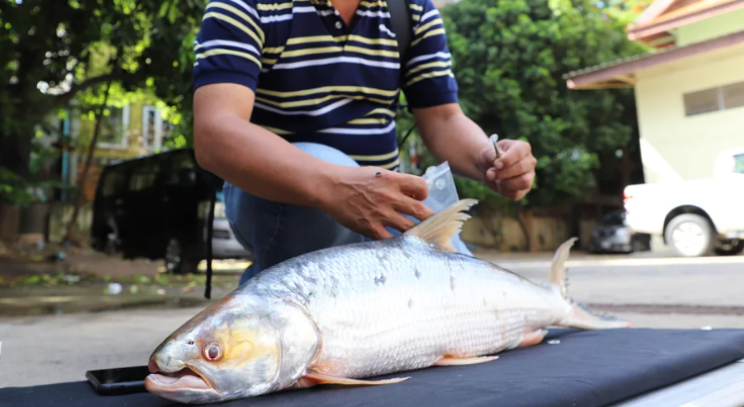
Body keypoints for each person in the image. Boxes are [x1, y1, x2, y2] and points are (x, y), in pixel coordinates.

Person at [192, 0, 537, 285]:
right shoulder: (246, 5)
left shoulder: (411, 10)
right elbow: (216, 132)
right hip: (282, 198)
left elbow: (443, 118)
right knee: (325, 172)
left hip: (384, 196)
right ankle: (278, 302)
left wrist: (488, 158)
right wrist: (338, 185)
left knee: (470, 297)